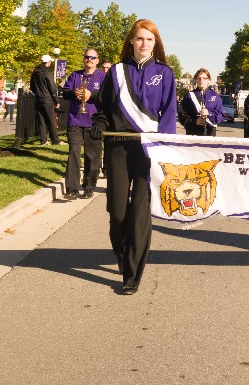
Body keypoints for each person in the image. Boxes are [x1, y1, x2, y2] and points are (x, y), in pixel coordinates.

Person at [90, 19, 177, 295]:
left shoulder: (165, 74)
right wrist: (100, 124)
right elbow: (103, 108)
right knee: (117, 212)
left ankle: (132, 274)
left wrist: (166, 152)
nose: (144, 44)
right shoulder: (115, 72)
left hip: (147, 150)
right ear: (131, 41)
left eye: (149, 40)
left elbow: (169, 115)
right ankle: (121, 249)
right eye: (139, 39)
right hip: (117, 147)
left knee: (140, 212)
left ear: (156, 43)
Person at [61, 49, 106, 199]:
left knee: (92, 156)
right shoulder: (75, 75)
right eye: (87, 57)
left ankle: (88, 187)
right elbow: (64, 92)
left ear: (97, 60)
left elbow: (108, 96)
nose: (90, 59)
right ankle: (72, 189)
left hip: (94, 121)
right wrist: (74, 92)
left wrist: (90, 94)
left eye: (93, 57)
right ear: (84, 59)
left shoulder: (103, 76)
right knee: (74, 152)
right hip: (75, 120)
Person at [179, 68, 224, 136]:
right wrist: (195, 121)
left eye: (204, 78)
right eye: (199, 78)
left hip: (210, 134)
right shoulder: (189, 96)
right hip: (192, 134)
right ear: (196, 80)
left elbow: (221, 115)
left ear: (209, 80)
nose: (201, 80)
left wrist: (209, 114)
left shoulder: (215, 96)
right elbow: (182, 115)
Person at [30, 54, 62, 146]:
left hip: (38, 99)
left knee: (41, 120)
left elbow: (32, 86)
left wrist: (37, 93)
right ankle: (55, 140)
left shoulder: (35, 72)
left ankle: (43, 141)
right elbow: (52, 87)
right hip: (47, 99)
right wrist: (56, 101)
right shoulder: (47, 72)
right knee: (51, 120)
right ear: (48, 62)